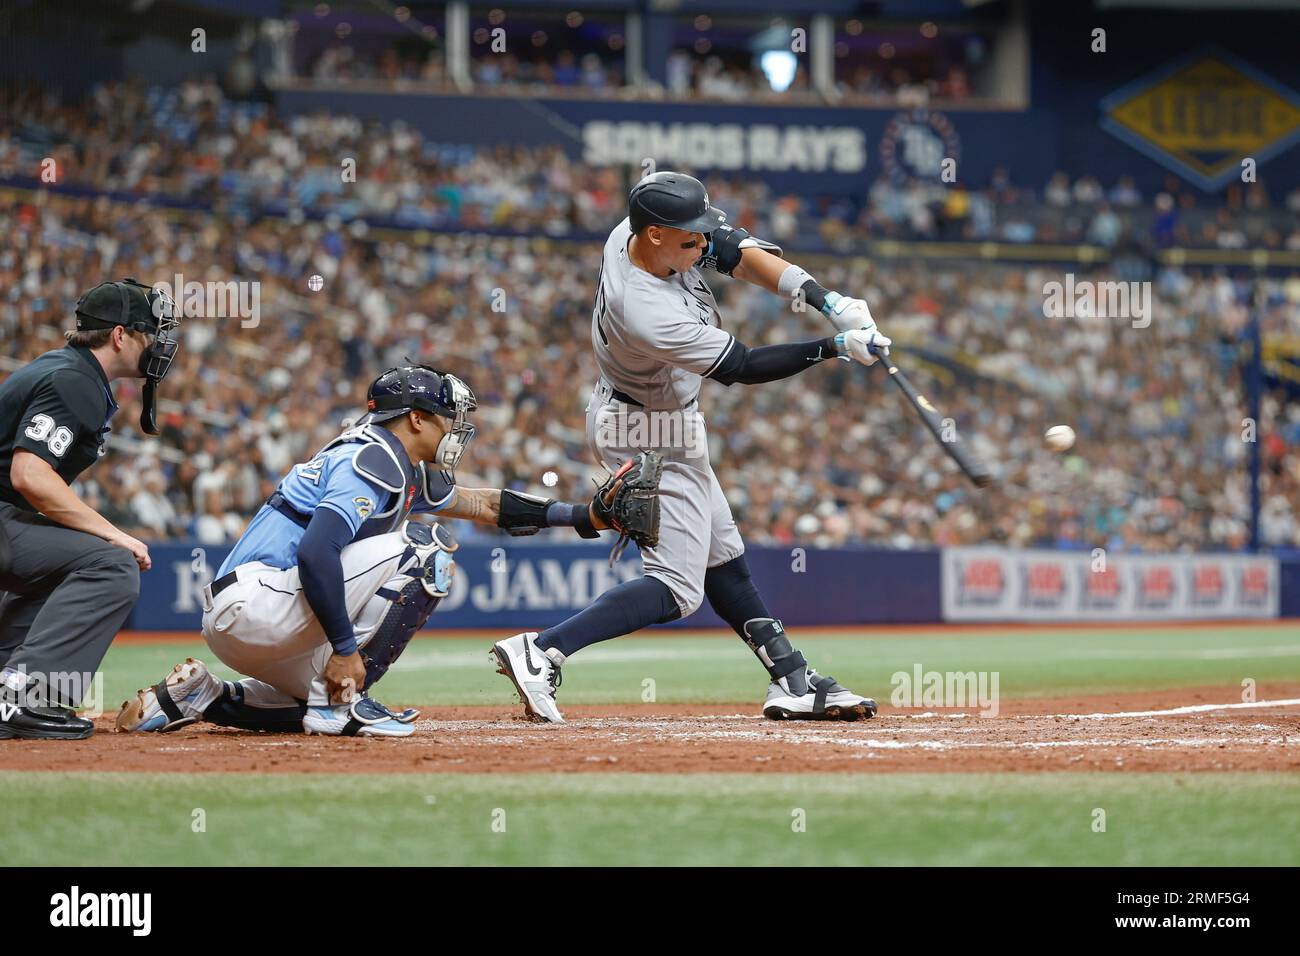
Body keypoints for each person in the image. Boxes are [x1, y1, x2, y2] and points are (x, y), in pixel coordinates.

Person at [492, 171, 890, 724]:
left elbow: (735, 251)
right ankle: (542, 650)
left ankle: (793, 681)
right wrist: (834, 346)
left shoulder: (638, 234)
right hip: (646, 430)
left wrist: (827, 298)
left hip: (666, 418)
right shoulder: (645, 311)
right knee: (678, 589)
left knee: (723, 559)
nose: (703, 244)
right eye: (689, 238)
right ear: (654, 235)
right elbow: (745, 367)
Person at [117, 365, 638, 738]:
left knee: (305, 707)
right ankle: (347, 700)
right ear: (414, 419)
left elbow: (484, 505)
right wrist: (345, 651)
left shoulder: (394, 461)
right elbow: (317, 553)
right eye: (445, 419)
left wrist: (581, 516)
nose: (455, 430)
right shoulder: (375, 460)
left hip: (252, 618)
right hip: (259, 602)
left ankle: (202, 695)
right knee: (427, 550)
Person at [0, 278, 179, 739]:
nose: (158, 344)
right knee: (113, 564)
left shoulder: (71, 371)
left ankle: (7, 687)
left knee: (65, 564)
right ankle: (23, 696)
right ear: (120, 335)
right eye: (149, 333)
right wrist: (113, 533)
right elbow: (29, 475)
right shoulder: (75, 379)